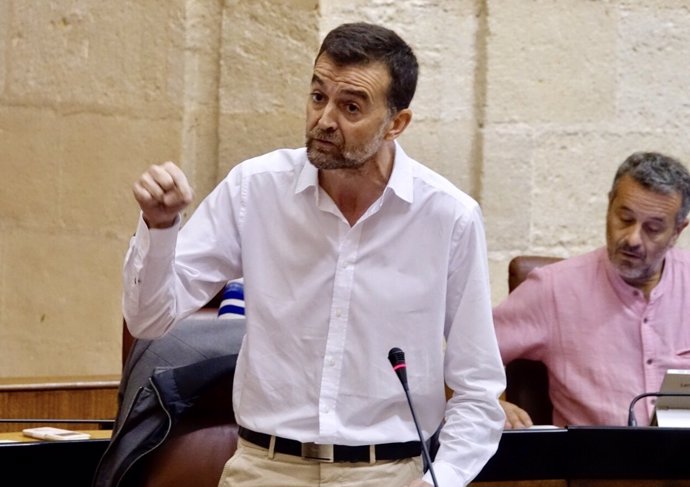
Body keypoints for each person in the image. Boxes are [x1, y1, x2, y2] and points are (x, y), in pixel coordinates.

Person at [122, 22, 505, 487]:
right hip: (264, 467)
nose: (324, 119)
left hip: (388, 473)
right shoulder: (255, 189)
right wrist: (159, 230)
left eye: (351, 107)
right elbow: (149, 320)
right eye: (318, 96)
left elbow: (478, 390)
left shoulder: (448, 217)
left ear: (396, 124)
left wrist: (439, 481)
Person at [494, 151, 690, 428]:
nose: (633, 239)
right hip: (595, 465)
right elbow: (465, 356)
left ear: (677, 232)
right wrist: (484, 403)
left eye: (653, 228)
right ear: (609, 206)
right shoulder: (554, 289)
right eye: (624, 219)